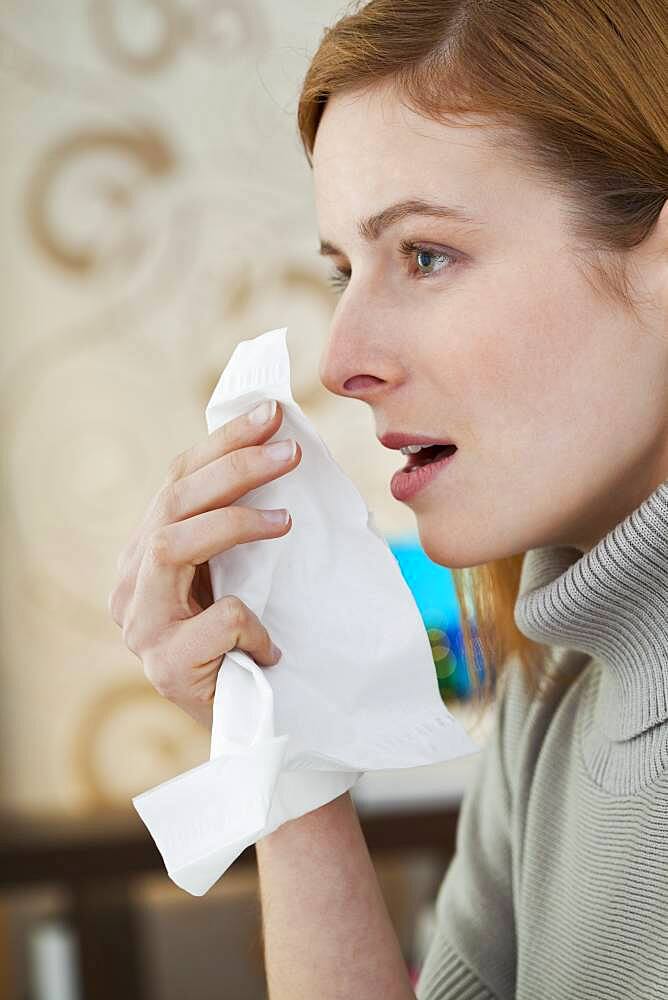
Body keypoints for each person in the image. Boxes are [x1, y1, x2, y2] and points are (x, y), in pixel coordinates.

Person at [109, 1, 668, 997]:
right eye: (341, 272)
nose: (339, 362)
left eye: (424, 255)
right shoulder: (554, 696)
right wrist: (281, 718)